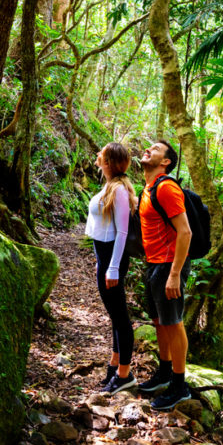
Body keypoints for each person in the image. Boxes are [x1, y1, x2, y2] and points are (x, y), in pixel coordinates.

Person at [136, 140, 194, 410]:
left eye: (155, 149)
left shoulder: (167, 187)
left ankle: (179, 386)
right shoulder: (147, 188)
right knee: (160, 321)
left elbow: (185, 232)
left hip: (170, 265)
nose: (148, 149)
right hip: (154, 264)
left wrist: (174, 274)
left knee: (173, 322)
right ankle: (164, 372)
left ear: (166, 161)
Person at [85, 142, 139, 393]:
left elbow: (122, 231)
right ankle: (114, 365)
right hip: (104, 255)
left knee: (120, 317)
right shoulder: (110, 185)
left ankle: (124, 374)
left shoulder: (118, 190)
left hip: (111, 257)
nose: (98, 154)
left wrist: (113, 267)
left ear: (109, 161)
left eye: (102, 153)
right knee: (115, 316)